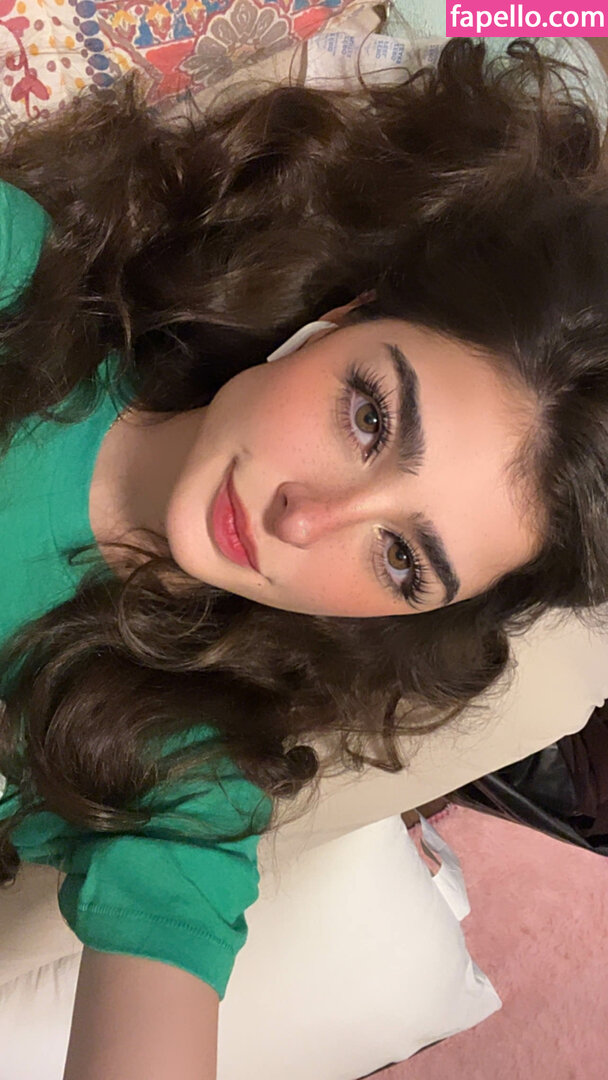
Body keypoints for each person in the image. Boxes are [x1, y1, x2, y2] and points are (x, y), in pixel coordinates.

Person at [2, 37, 608, 1078]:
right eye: (370, 418)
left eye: (402, 559)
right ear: (332, 321)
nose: (306, 520)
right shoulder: (18, 278)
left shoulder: (189, 760)